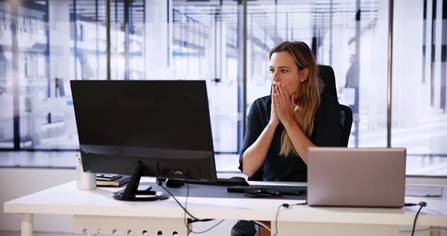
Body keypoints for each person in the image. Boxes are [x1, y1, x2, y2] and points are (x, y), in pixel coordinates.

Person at [231, 41, 342, 236]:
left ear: (303, 74)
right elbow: (248, 167)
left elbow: (323, 166)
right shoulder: (260, 107)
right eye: (272, 70)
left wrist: (288, 122)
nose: (275, 78)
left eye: (283, 71)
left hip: (309, 198)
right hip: (268, 197)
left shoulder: (326, 109)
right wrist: (274, 122)